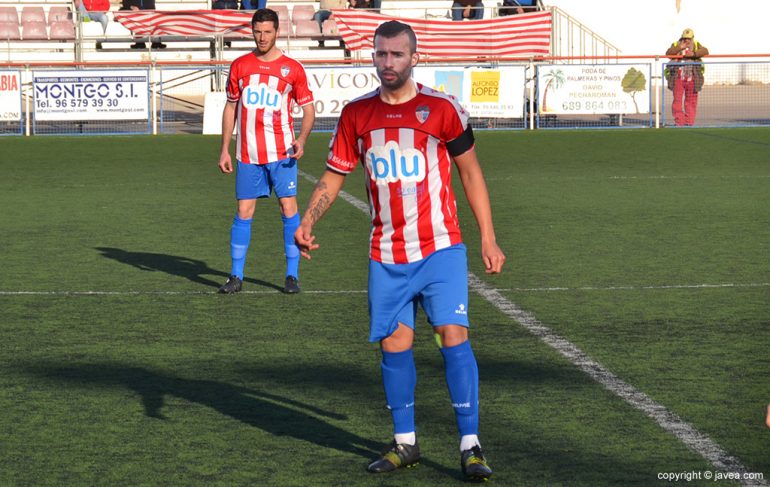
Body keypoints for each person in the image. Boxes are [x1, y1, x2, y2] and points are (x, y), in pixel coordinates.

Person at [295, 20, 505, 481]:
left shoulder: (442, 109)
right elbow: (333, 176)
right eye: (380, 54)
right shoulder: (356, 116)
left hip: (440, 247)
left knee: (454, 334)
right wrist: (308, 220)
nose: (387, 63)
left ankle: (470, 446)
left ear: (414, 56)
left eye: (396, 54)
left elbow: (470, 172)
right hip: (386, 253)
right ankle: (405, 443)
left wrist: (488, 236)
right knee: (396, 343)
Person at [217, 8, 316, 295]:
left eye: (268, 32)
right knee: (243, 211)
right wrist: (224, 148)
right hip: (248, 154)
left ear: (277, 32)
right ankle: (236, 276)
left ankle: (292, 276)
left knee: (288, 208)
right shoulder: (240, 66)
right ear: (252, 31)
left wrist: (302, 139)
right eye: (258, 31)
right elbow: (231, 106)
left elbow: (308, 110)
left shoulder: (292, 69)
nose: (262, 37)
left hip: (282, 153)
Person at [665, 28, 708, 126]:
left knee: (691, 100)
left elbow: (705, 51)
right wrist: (680, 48)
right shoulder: (676, 44)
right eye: (685, 38)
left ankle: (689, 122)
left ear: (692, 38)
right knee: (677, 100)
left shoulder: (697, 45)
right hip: (678, 76)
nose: (687, 41)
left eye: (689, 39)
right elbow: (668, 53)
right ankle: (679, 122)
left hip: (692, 77)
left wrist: (694, 54)